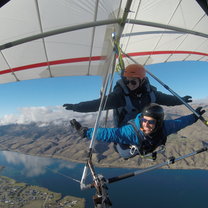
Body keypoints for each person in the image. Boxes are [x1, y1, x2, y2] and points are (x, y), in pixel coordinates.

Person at [63, 64, 192, 128]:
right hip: (126, 127)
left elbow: (168, 99)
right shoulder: (119, 96)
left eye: (133, 81)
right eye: (126, 81)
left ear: (142, 81)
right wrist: (76, 107)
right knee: (125, 150)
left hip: (145, 126)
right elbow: (98, 104)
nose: (129, 84)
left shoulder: (151, 93)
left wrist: (182, 100)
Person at [70, 104, 205, 159]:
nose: (146, 124)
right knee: (124, 152)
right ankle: (119, 146)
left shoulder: (165, 127)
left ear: (158, 122)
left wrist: (194, 116)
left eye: (151, 122)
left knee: (150, 144)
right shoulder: (131, 132)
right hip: (128, 146)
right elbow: (109, 134)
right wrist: (86, 132)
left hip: (148, 147)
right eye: (144, 120)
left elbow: (180, 123)